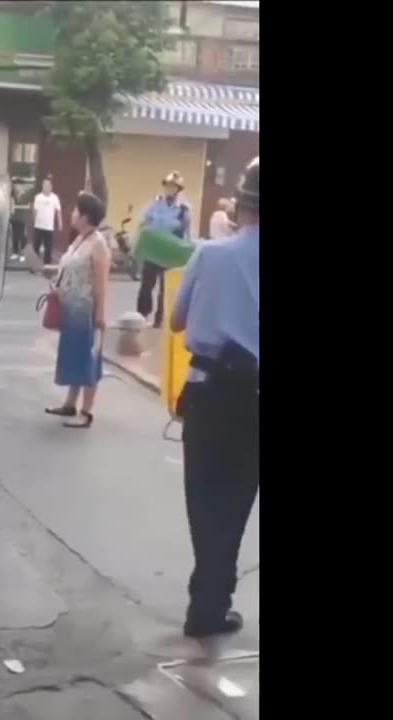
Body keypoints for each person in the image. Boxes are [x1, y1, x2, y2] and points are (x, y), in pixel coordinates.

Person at [169, 157, 259, 639]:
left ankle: (205, 602)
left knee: (203, 499)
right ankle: (210, 603)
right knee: (236, 501)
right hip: (255, 398)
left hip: (206, 392)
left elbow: (178, 321)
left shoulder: (208, 254)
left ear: (241, 206)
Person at [44, 192, 111, 428]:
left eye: (75, 210)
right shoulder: (79, 240)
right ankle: (70, 403)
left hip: (87, 310)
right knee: (72, 354)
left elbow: (102, 281)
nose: (71, 213)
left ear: (85, 215)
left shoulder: (98, 244)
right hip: (71, 309)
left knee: (87, 357)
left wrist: (102, 314)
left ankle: (87, 410)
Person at [136, 171, 193, 328]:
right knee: (146, 286)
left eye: (172, 187)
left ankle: (159, 320)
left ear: (178, 190)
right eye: (167, 186)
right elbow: (143, 224)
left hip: (170, 256)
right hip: (153, 253)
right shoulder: (155, 205)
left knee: (165, 289)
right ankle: (142, 315)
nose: (169, 190)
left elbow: (187, 235)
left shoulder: (183, 210)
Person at [31, 177, 62, 266]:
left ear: (51, 186)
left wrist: (60, 223)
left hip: (49, 227)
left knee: (48, 248)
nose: (45, 186)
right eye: (44, 185)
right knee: (36, 247)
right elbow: (35, 211)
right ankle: (34, 266)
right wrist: (34, 221)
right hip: (38, 226)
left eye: (47, 185)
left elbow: (58, 210)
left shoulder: (54, 198)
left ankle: (47, 266)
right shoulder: (38, 197)